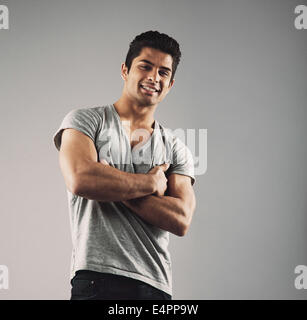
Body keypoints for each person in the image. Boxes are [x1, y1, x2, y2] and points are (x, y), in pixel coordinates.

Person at [53, 30, 196, 300]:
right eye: (145, 66)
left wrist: (110, 182)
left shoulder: (176, 148)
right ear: (125, 70)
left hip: (155, 286)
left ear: (171, 83)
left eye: (164, 72)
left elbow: (180, 219)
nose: (154, 77)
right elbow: (81, 179)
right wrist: (150, 184)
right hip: (96, 279)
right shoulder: (85, 122)